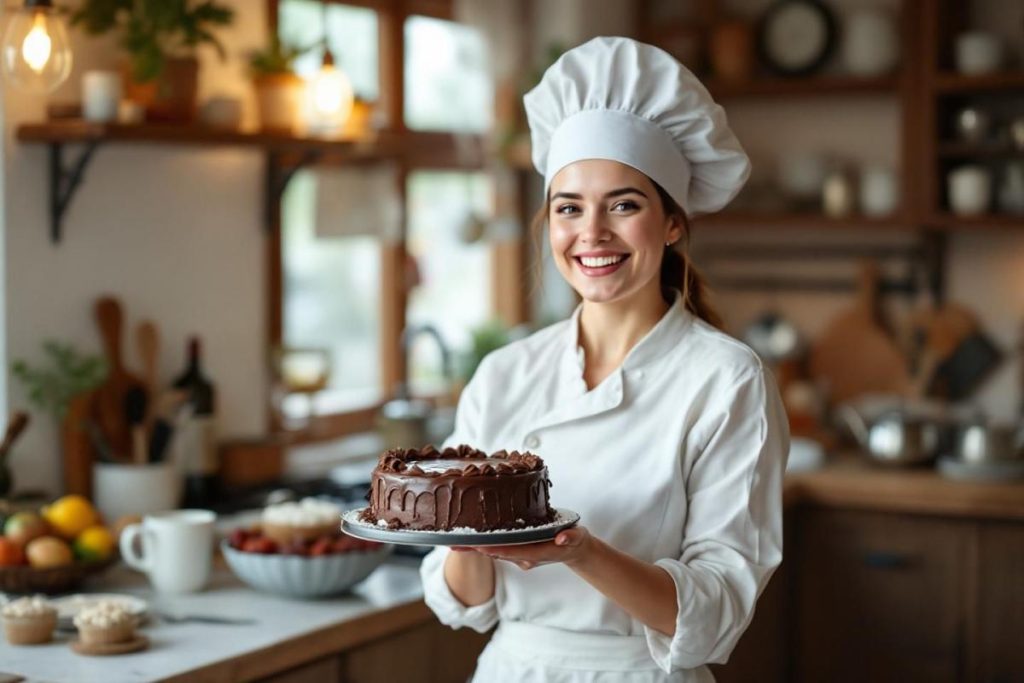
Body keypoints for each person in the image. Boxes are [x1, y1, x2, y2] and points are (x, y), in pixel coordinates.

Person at [419, 36, 789, 682]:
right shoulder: (505, 375)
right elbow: (467, 602)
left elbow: (717, 609)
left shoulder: (727, 381)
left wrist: (579, 551)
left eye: (623, 204)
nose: (591, 234)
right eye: (569, 208)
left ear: (672, 222)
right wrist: (467, 532)